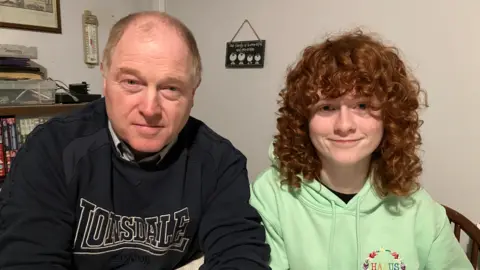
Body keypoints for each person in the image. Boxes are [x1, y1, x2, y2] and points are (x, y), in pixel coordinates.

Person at [0, 11, 270, 270]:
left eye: (171, 88)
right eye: (132, 82)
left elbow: (241, 252)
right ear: (105, 80)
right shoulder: (52, 150)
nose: (150, 108)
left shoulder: (220, 162)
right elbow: (26, 259)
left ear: (193, 92)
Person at [249, 29, 473, 270]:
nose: (344, 125)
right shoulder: (271, 195)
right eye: (327, 107)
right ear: (304, 119)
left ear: (390, 117)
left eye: (362, 105)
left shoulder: (419, 209)